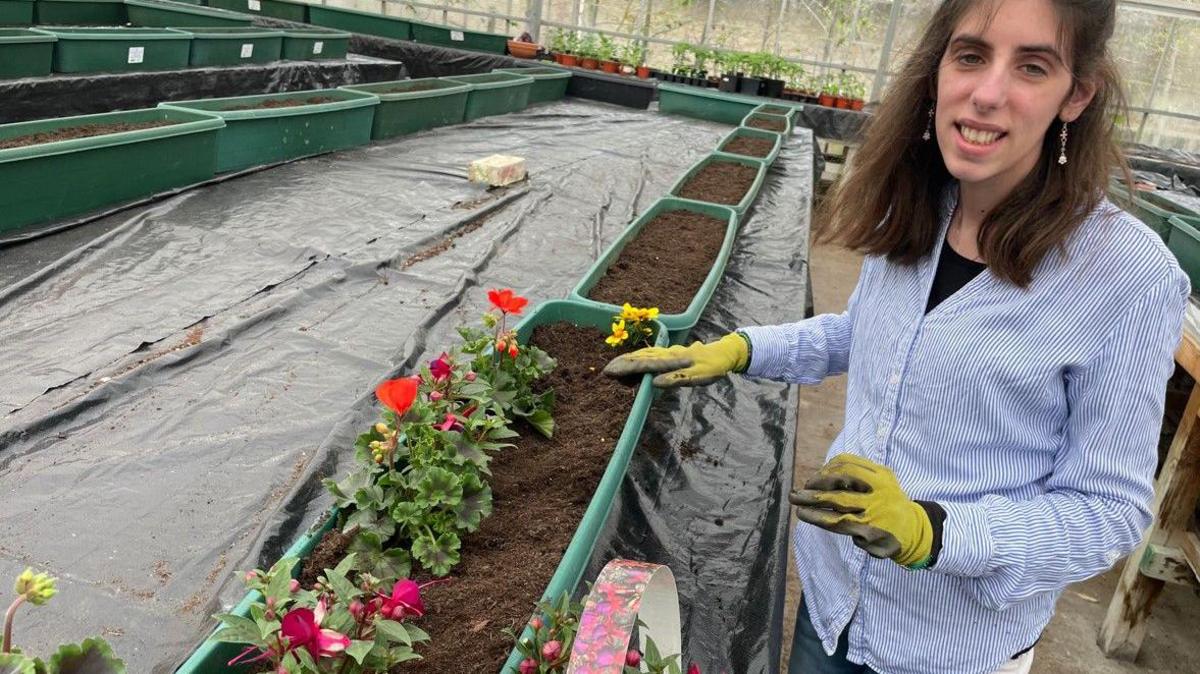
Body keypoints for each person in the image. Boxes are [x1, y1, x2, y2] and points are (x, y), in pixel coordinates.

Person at [604, 0, 1190, 671]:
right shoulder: (922, 203)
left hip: (946, 646)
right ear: (937, 68)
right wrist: (740, 350)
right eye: (970, 55)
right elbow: (867, 334)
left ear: (1075, 95)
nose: (988, 93)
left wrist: (932, 532)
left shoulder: (1128, 277)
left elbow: (1105, 514)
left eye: (1032, 66)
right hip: (832, 606)